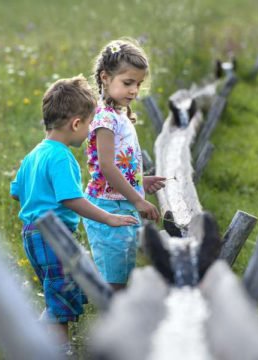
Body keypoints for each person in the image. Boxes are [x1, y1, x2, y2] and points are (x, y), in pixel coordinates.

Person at [10, 75, 138, 353]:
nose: (91, 130)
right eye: (90, 124)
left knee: (59, 291)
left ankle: (45, 343)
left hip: (32, 234)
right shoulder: (61, 156)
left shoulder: (34, 154)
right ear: (76, 124)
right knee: (60, 299)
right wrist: (108, 217)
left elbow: (16, 191)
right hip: (53, 236)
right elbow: (70, 199)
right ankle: (57, 351)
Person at [83, 39, 166, 291]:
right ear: (105, 78)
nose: (134, 91)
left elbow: (120, 164)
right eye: (128, 83)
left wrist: (141, 180)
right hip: (108, 205)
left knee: (122, 268)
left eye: (138, 84)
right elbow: (107, 167)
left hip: (122, 200)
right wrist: (139, 200)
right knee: (115, 278)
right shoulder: (104, 118)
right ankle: (114, 323)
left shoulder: (119, 113)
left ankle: (119, 318)